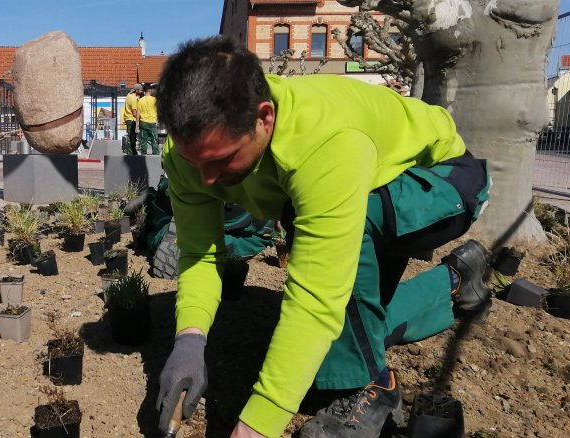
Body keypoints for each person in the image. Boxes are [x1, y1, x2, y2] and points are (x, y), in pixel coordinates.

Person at [154, 36, 492, 438]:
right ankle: (453, 281)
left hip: (442, 181)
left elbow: (317, 295)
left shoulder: (324, 140)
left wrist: (259, 424)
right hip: (372, 184)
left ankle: (373, 386)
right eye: (195, 162)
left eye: (222, 160)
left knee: (337, 290)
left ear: (265, 118)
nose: (207, 179)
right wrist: (190, 338)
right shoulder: (190, 159)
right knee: (355, 329)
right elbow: (201, 254)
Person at [137, 85, 159, 155]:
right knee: (154, 139)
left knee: (144, 139)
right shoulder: (154, 100)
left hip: (143, 122)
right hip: (152, 122)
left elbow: (138, 113)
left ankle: (143, 154)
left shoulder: (140, 100)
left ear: (144, 92)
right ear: (150, 91)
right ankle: (155, 153)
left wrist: (137, 123)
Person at [123, 83, 143, 155]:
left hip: (128, 118)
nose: (141, 92)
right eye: (140, 90)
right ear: (137, 90)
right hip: (131, 119)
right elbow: (134, 113)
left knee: (130, 135)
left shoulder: (129, 95)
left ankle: (131, 151)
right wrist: (141, 117)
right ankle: (130, 151)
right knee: (132, 136)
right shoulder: (133, 99)